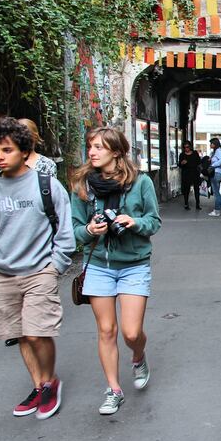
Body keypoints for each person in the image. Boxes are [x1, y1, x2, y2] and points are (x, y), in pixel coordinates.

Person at [0, 117, 75, 419]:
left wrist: (55, 266)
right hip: (2, 274)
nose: (0, 157)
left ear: (23, 150)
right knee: (20, 334)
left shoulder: (46, 185)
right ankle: (38, 385)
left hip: (39, 271)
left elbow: (65, 232)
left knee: (37, 333)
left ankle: (50, 382)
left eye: (7, 150)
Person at [70, 127, 161, 416]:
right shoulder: (83, 186)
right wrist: (88, 229)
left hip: (133, 264)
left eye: (99, 147)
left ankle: (138, 355)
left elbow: (154, 221)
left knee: (131, 332)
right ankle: (114, 389)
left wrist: (134, 222)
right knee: (106, 330)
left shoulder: (140, 182)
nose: (92, 152)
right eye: (90, 147)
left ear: (116, 152)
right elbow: (73, 230)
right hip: (98, 264)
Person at [178, 141, 202, 210]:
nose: (186, 149)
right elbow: (179, 164)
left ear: (190, 147)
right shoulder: (182, 155)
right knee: (186, 189)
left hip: (195, 173)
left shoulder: (195, 153)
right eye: (185, 147)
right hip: (186, 173)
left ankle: (198, 204)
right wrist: (182, 163)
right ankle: (186, 204)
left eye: (188, 147)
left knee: (196, 189)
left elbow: (199, 162)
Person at [207, 138, 221, 216]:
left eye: (211, 143)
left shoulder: (218, 150)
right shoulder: (216, 151)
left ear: (215, 144)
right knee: (217, 192)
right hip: (218, 173)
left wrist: (213, 165)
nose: (210, 145)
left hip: (216, 173)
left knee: (216, 193)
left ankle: (217, 210)